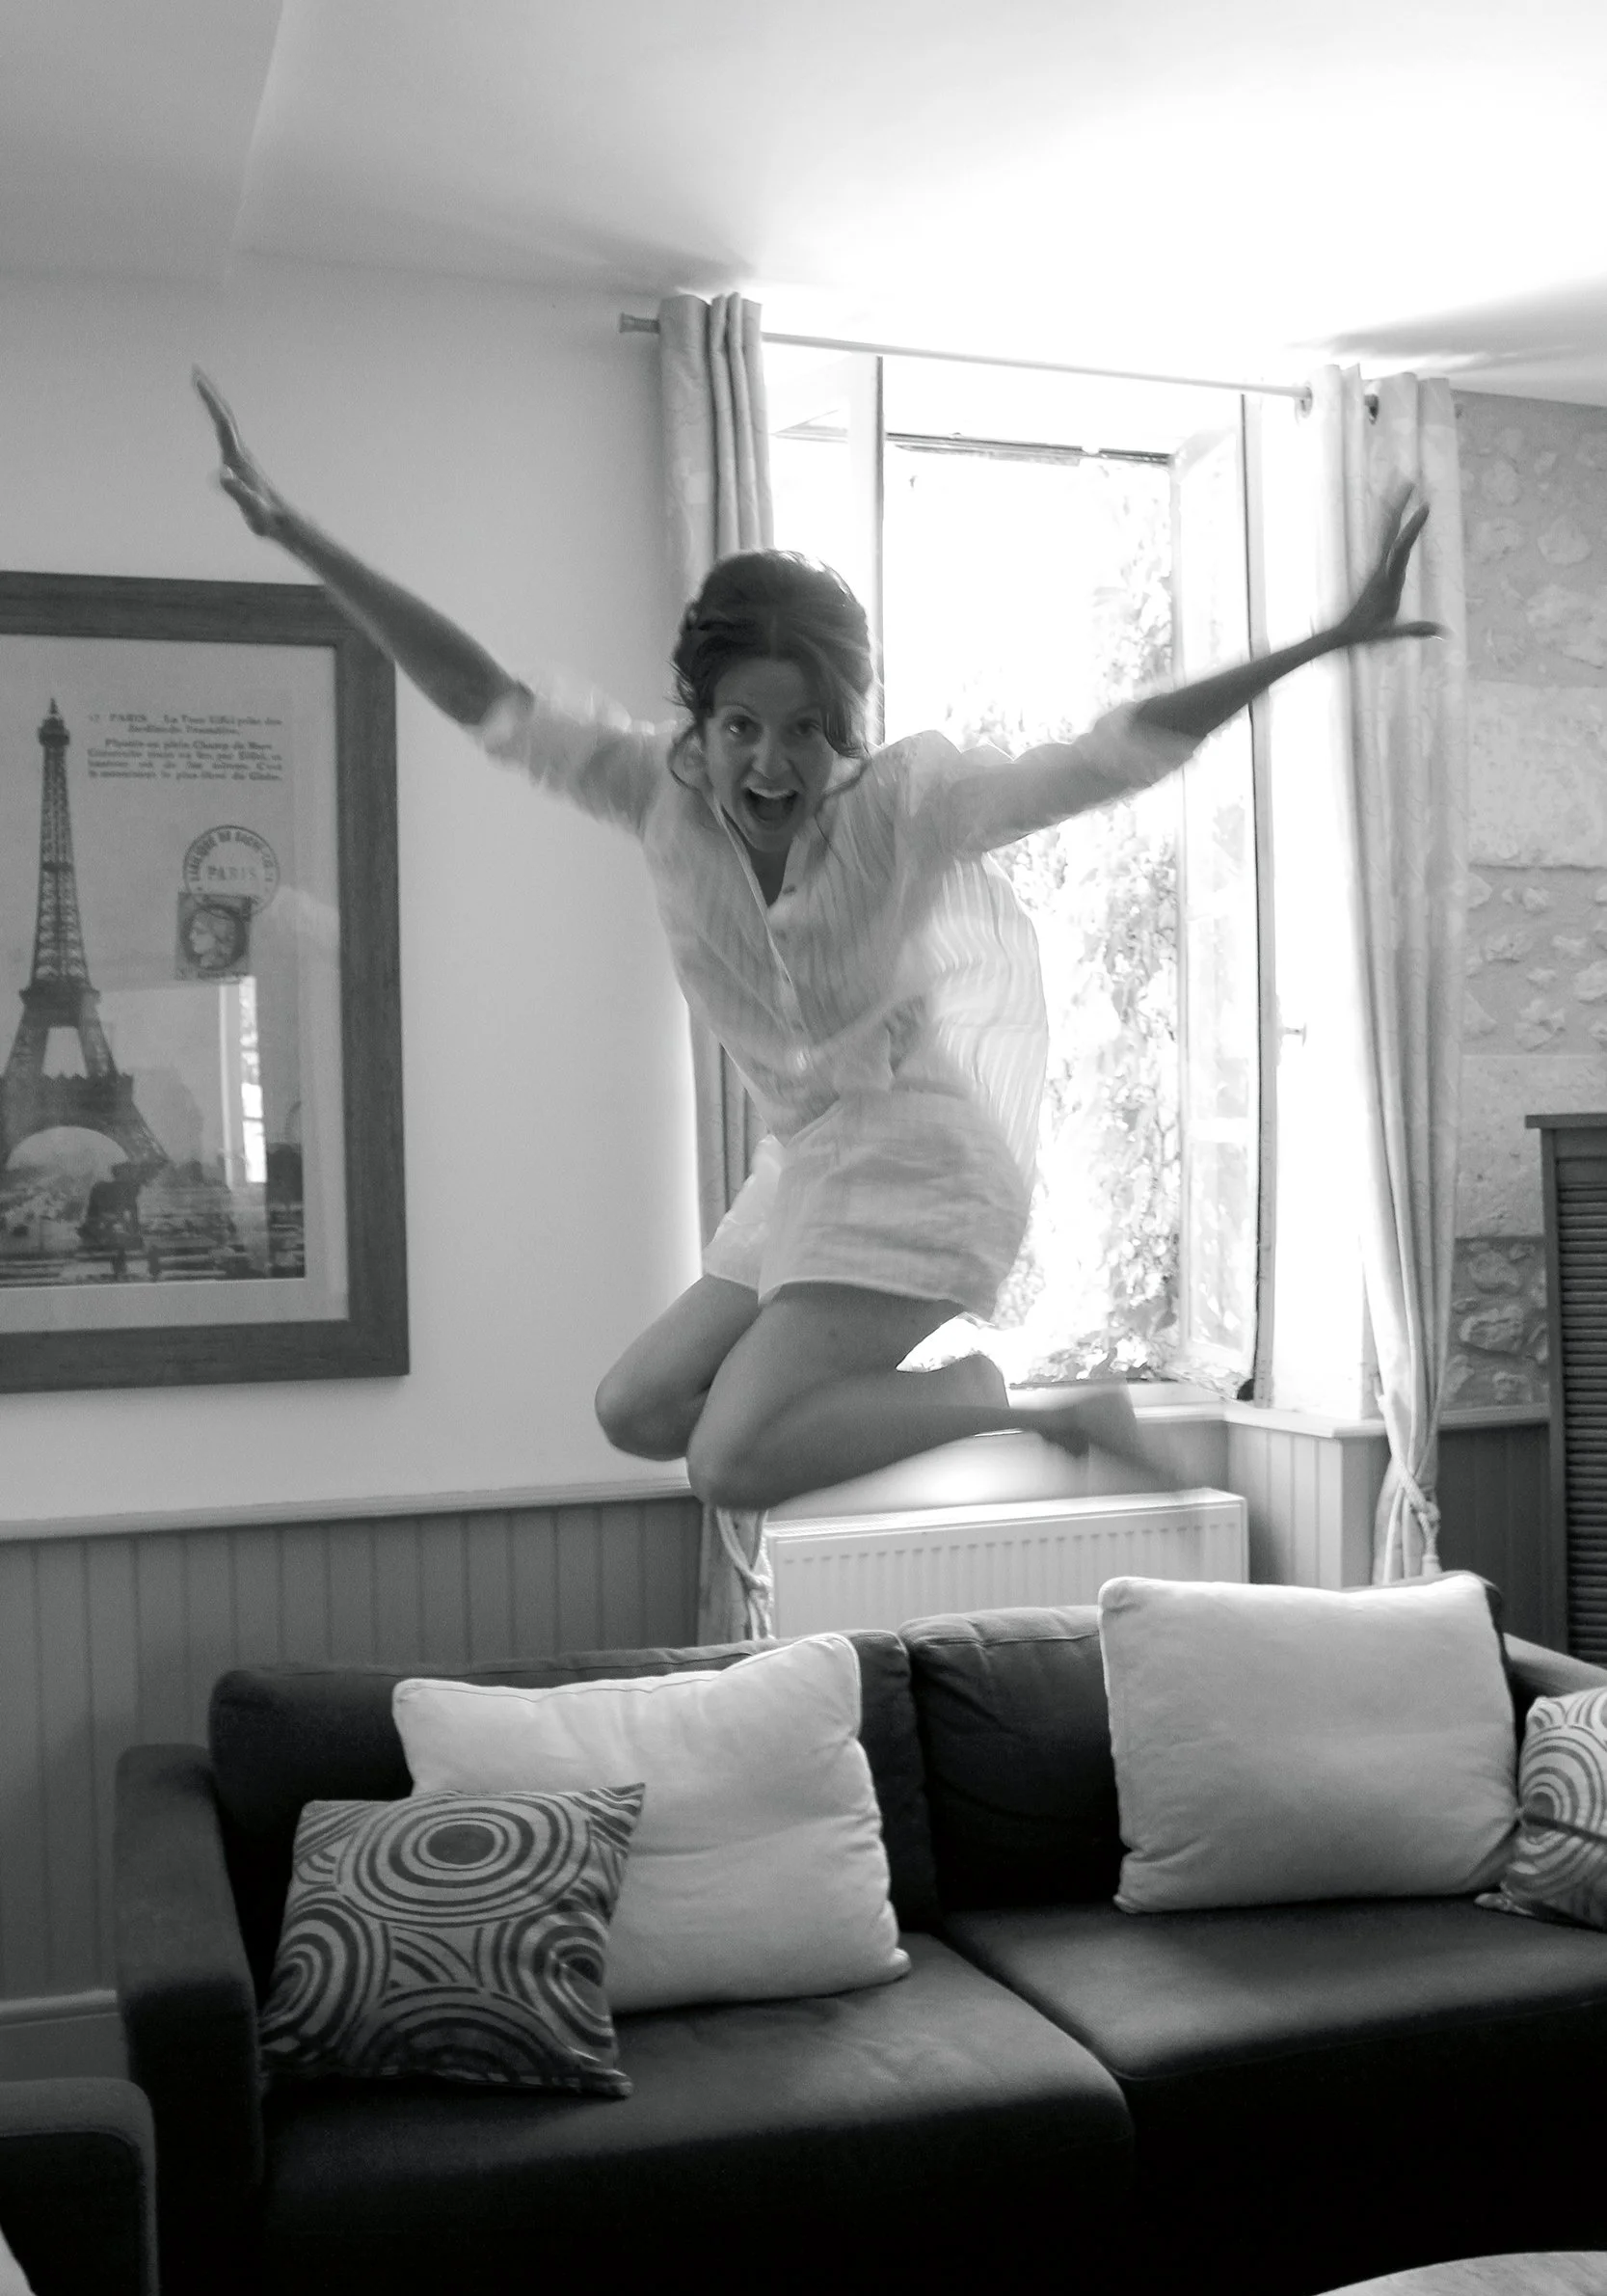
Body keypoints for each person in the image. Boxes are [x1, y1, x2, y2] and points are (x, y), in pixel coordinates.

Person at [195, 368, 1440, 1513]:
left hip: (915, 1156)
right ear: (704, 717)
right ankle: (980, 1400)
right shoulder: (650, 790)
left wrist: (1318, 640)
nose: (768, 763)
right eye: (740, 726)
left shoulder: (903, 806)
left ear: (838, 727)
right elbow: (484, 697)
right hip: (805, 1161)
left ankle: (985, 1399)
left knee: (730, 1463)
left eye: (800, 732)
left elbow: (1103, 755)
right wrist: (297, 536)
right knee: (637, 1413)